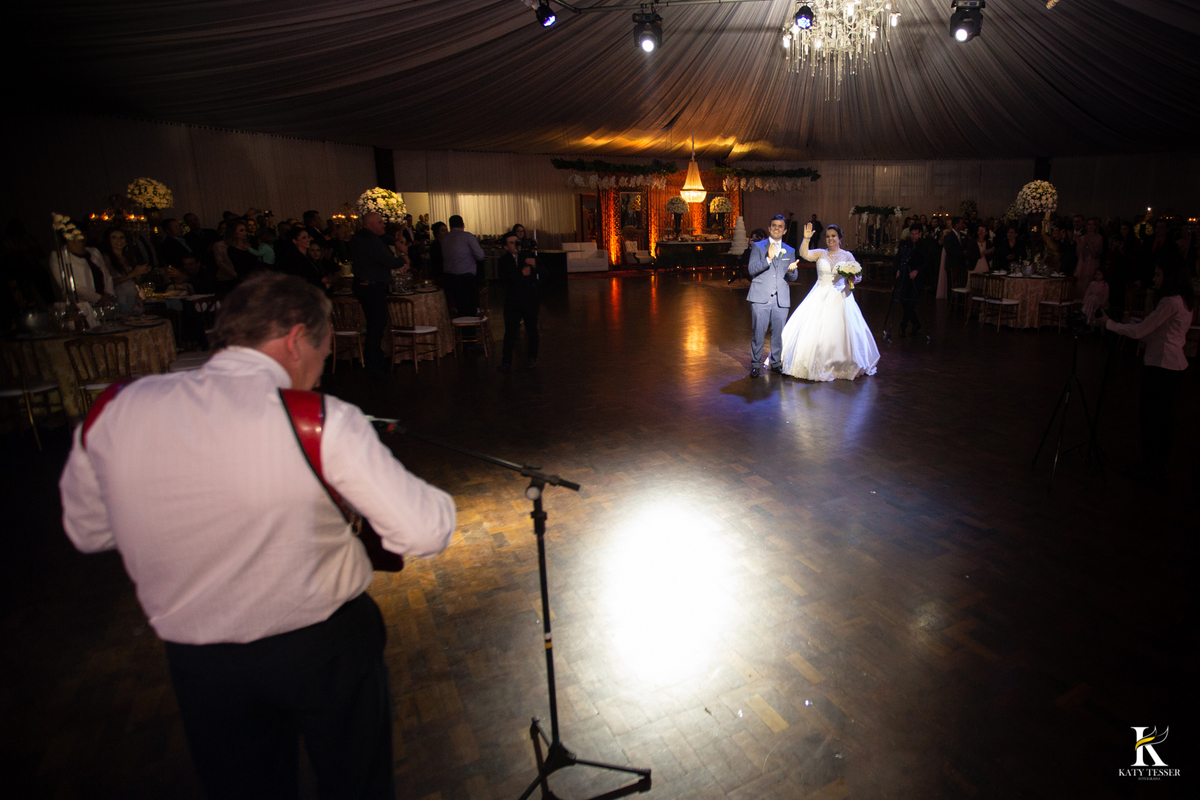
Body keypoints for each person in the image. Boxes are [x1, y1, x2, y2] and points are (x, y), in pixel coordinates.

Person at [60, 272, 456, 798]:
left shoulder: (114, 410)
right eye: (324, 344)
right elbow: (424, 532)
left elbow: (88, 533)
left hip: (201, 665)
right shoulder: (317, 420)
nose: (322, 362)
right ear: (296, 340)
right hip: (325, 650)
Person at [1099, 266, 1194, 478]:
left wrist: (1110, 323)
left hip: (1163, 364)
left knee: (1150, 413)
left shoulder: (1170, 302)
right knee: (1162, 414)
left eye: (1159, 274)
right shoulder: (1183, 300)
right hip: (1173, 362)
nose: (1154, 278)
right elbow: (1154, 328)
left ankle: (1151, 464)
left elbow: (1142, 331)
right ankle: (1158, 461)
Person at [781, 222, 878, 380]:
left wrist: (853, 278)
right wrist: (806, 239)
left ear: (840, 238)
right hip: (820, 294)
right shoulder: (820, 253)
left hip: (841, 295)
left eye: (833, 236)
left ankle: (842, 363)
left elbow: (858, 275)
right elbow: (804, 253)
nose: (830, 239)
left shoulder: (847, 255)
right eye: (827, 236)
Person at [350, 212, 409, 379]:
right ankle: (374, 365)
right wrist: (404, 258)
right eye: (379, 222)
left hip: (366, 285)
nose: (383, 225)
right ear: (370, 225)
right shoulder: (369, 241)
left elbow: (385, 238)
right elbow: (390, 261)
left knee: (375, 324)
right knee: (376, 324)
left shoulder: (363, 236)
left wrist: (396, 242)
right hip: (371, 287)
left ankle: (376, 359)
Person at [745, 215, 800, 377]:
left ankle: (776, 363)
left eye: (780, 226)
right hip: (760, 297)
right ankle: (755, 364)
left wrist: (792, 271)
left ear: (784, 230)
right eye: (774, 226)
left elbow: (793, 277)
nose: (777, 228)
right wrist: (768, 259)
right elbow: (752, 270)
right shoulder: (759, 247)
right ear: (769, 228)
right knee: (758, 333)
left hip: (781, 299)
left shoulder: (789, 250)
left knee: (778, 334)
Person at [496, 233, 541, 373]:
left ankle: (532, 357)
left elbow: (545, 274)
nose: (516, 245)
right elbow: (504, 280)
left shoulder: (527, 257)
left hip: (529, 300)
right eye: (511, 243)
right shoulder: (503, 261)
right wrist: (521, 273)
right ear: (505, 247)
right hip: (513, 302)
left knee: (532, 330)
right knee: (510, 332)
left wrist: (536, 266)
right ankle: (506, 361)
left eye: (517, 242)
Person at [49, 229, 113, 304]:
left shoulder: (93, 251)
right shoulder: (59, 256)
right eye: (77, 235)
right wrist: (98, 298)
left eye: (84, 234)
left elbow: (106, 275)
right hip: (81, 304)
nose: (82, 237)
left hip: (105, 302)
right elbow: (67, 284)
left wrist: (110, 295)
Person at [442, 215, 485, 317]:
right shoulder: (467, 236)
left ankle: (458, 329)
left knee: (457, 306)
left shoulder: (445, 239)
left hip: (449, 278)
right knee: (469, 308)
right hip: (466, 278)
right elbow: (480, 256)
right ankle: (469, 330)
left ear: (450, 226)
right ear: (463, 224)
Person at [99, 228, 150, 313]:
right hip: (118, 297)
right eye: (114, 237)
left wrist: (140, 274)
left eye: (121, 237)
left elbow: (136, 281)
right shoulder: (107, 258)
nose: (118, 240)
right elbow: (107, 282)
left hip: (132, 296)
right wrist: (132, 274)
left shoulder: (129, 257)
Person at [894, 224, 928, 337]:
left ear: (920, 233)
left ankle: (903, 325)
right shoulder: (905, 244)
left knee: (911, 301)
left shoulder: (924, 245)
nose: (914, 236)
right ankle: (916, 323)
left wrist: (917, 271)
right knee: (903, 299)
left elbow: (926, 262)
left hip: (917, 277)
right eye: (912, 234)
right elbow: (898, 258)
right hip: (905, 275)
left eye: (916, 234)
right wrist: (898, 269)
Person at [1073, 217, 1104, 299]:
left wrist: (1089, 242)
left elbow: (1095, 254)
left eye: (1093, 224)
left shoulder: (1099, 238)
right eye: (1089, 224)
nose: (1091, 226)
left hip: (1092, 265)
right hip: (1082, 265)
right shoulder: (1082, 237)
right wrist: (1078, 242)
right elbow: (1078, 254)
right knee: (1080, 288)